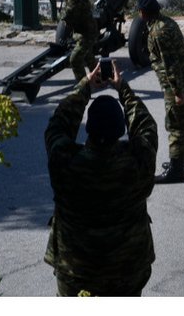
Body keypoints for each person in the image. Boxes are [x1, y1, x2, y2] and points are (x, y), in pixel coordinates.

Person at [44, 59, 157, 296]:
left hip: (75, 272)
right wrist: (123, 88)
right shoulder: (136, 163)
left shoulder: (67, 163)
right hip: (127, 272)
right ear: (120, 130)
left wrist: (86, 86)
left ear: (89, 128)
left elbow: (58, 125)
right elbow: (146, 127)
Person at [138, 0, 184, 184]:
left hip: (176, 83)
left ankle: (176, 170)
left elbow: (170, 64)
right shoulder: (167, 22)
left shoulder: (157, 32)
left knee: (175, 124)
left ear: (143, 13)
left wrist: (177, 92)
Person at [57, 0, 98, 82]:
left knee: (75, 60)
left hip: (87, 33)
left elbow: (66, 15)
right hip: (82, 32)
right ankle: (99, 78)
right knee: (88, 57)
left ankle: (83, 87)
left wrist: (61, 15)